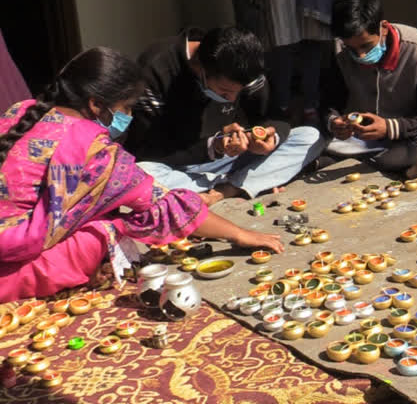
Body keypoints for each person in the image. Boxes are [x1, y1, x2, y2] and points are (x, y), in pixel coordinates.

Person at [0, 48, 283, 301]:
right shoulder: (93, 150)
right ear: (96, 104)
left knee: (103, 207)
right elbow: (168, 206)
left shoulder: (20, 111)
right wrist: (239, 234)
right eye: (126, 108)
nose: (129, 116)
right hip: (11, 268)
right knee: (111, 228)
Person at [124, 26, 324, 205]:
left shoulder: (246, 71)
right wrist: (215, 145)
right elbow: (147, 150)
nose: (232, 99)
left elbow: (275, 118)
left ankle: (225, 190)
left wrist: (270, 137)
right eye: (224, 91)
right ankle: (252, 181)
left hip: (230, 160)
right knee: (141, 173)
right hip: (179, 167)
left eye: (239, 91)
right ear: (201, 68)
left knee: (309, 136)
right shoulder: (155, 70)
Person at [321, 0, 417, 178]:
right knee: (313, 136)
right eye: (352, 49)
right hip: (359, 139)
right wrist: (334, 122)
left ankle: (362, 161)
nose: (361, 55)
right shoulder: (337, 50)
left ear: (383, 27)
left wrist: (391, 127)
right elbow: (328, 101)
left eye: (367, 46)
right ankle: (387, 162)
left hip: (409, 135)